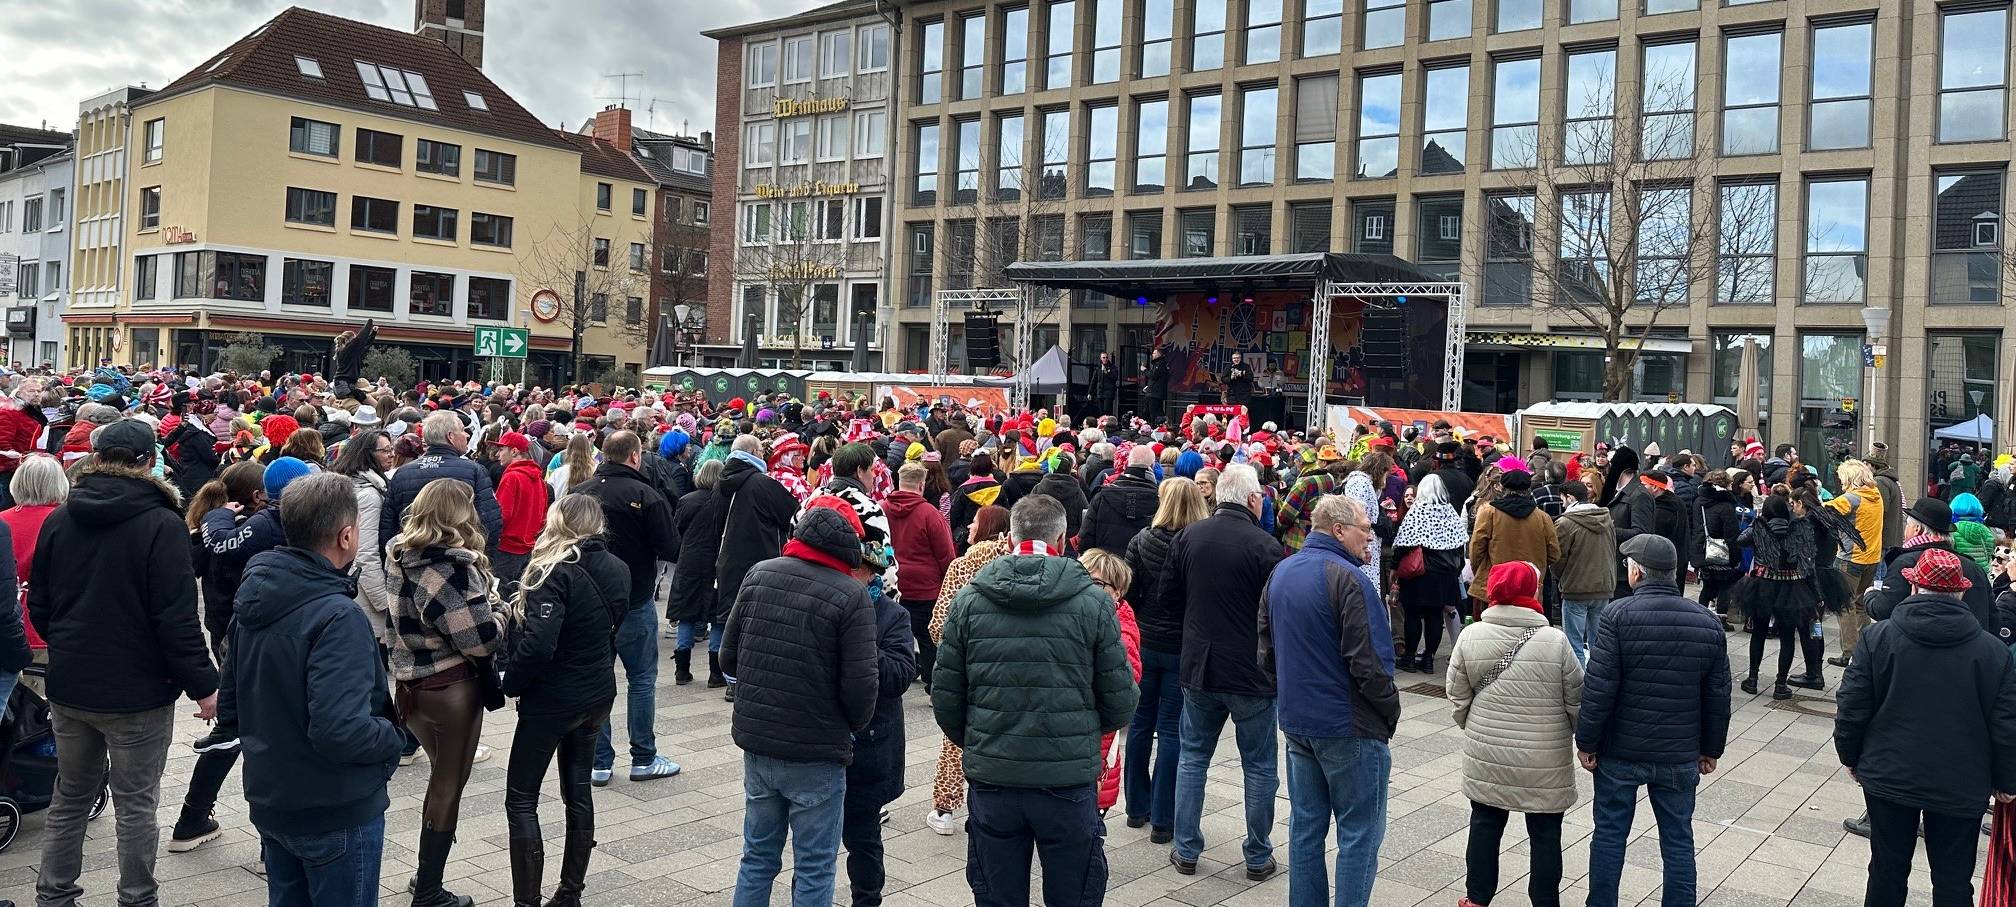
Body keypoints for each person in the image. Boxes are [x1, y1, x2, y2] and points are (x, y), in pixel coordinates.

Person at [31, 419, 218, 907]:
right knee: (136, 803)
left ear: (96, 458)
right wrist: (204, 685)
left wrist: (69, 645)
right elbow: (176, 618)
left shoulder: (61, 516)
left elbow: (41, 605)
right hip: (137, 690)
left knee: (70, 796)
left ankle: (53, 894)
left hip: (72, 682)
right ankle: (137, 898)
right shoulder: (161, 523)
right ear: (147, 462)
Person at [931, 495, 1139, 907]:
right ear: (1062, 540)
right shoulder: (1096, 602)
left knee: (998, 893)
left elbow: (947, 698)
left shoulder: (970, 600)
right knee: (1073, 893)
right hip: (1066, 779)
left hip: (994, 774)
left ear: (1011, 539)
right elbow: (1119, 700)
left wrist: (978, 738)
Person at [226, 472, 407, 907]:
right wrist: (395, 736)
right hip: (332, 804)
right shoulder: (336, 616)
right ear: (346, 536)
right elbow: (339, 729)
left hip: (273, 795)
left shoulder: (255, 595)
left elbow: (231, 700)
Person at [1836, 547, 2016, 907]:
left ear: (1914, 588)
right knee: (1953, 878)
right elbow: (2006, 725)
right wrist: (2006, 781)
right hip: (1962, 781)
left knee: (1887, 869)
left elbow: (1852, 706)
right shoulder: (1993, 652)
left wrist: (1851, 757)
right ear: (1962, 592)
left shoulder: (1878, 638)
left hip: (1889, 773)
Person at [720, 502, 879, 907]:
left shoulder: (760, 574)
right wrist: (852, 725)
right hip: (817, 749)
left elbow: (728, 657)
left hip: (759, 741)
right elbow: (861, 687)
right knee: (815, 864)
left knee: (756, 856)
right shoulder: (850, 594)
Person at [1258, 494, 1400, 907]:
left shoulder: (1282, 571)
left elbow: (1266, 652)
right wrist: (1389, 708)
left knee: (1306, 827)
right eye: (1364, 529)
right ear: (1339, 530)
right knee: (1359, 833)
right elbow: (1368, 662)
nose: (1369, 539)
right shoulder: (1350, 579)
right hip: (1348, 724)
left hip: (1299, 719)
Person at [1576, 535, 1730, 907]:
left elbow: (1600, 688)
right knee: (1678, 839)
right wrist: (1711, 748)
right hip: (1679, 752)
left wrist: (1587, 742)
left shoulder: (1617, 616)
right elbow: (1717, 696)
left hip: (1620, 752)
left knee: (1610, 834)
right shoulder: (1707, 622)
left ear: (1637, 572)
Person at [498, 495, 630, 907]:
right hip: (596, 690)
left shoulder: (550, 570)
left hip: (555, 696)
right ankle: (570, 892)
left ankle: (528, 901)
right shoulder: (618, 568)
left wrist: (511, 683)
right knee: (578, 792)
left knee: (522, 798)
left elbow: (539, 644)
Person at [386, 480, 504, 907]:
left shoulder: (401, 553)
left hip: (411, 684)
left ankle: (426, 876)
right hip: (448, 686)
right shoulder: (447, 566)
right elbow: (480, 640)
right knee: (448, 784)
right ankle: (430, 889)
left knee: (442, 779)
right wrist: (503, 613)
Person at [1165, 464, 1285, 879]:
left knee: (1193, 757)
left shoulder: (1188, 537)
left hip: (1199, 664)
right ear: (1253, 499)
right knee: (1259, 765)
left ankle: (1185, 849)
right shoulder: (1265, 546)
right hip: (1251, 672)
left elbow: (1169, 598)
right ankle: (1257, 855)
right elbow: (1278, 613)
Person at [1447, 561, 1583, 907]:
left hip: (1488, 754)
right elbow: (1577, 700)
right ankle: (1544, 902)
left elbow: (1457, 695)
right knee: (1545, 833)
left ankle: (1476, 899)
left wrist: (1473, 724)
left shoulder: (1470, 635)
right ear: (1531, 592)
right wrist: (1580, 738)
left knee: (1485, 824)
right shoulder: (1556, 641)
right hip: (1544, 760)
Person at [570, 430, 683, 783]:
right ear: (635, 456)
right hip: (634, 599)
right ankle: (643, 757)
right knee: (641, 679)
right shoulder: (645, 494)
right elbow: (670, 548)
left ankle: (599, 761)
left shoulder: (580, 493)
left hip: (589, 602)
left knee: (596, 679)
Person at [1120, 477, 1208, 842]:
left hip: (1145, 638)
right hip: (1180, 644)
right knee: (1172, 729)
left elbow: (1129, 589)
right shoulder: (1199, 544)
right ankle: (1163, 817)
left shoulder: (1141, 540)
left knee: (1141, 723)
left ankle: (1136, 807)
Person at [923, 504, 1012, 835]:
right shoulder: (1016, 566)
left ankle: (944, 809)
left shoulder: (962, 566)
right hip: (1008, 665)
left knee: (956, 735)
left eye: (975, 522)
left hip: (967, 664)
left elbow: (938, 623)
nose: (970, 527)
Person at [841, 531, 915, 907]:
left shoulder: (892, 615)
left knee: (863, 838)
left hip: (870, 747)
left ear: (873, 574)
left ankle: (867, 900)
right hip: (825, 744)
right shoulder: (830, 604)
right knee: (813, 842)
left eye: (858, 569)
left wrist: (859, 641)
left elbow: (901, 675)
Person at [716, 434, 801, 699]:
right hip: (761, 560)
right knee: (757, 622)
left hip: (727, 561)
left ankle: (728, 677)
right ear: (754, 452)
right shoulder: (762, 484)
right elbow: (793, 512)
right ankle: (751, 677)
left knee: (731, 619)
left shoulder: (719, 482)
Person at [1864, 496, 1996, 633]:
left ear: (1916, 529)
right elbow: (1992, 618)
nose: (1905, 531)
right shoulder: (1974, 567)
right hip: (1972, 646)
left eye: (1907, 525)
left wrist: (1870, 595)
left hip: (1919, 647)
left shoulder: (1905, 563)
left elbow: (1884, 610)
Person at [1736, 494, 1822, 700]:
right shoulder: (1799, 530)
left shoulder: (1760, 528)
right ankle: (1781, 684)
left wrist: (1758, 524)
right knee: (1787, 637)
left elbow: (1740, 541)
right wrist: (1816, 593)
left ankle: (1752, 679)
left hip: (1763, 585)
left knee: (1758, 632)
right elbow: (1808, 565)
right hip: (1791, 588)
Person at [1078, 548, 1143, 818]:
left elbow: (1123, 691)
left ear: (1117, 592)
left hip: (1096, 746)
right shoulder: (1082, 617)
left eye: (1097, 584)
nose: (1086, 588)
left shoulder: (1121, 630)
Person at [382, 410, 504, 547]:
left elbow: (388, 526)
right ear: (450, 436)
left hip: (414, 554)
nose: (467, 435)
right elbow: (489, 521)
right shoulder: (474, 471)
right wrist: (482, 556)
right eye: (463, 430)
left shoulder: (403, 473)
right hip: (460, 556)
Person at [0, 455, 62, 713]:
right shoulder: (63, 522)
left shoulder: (4, 520)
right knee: (38, 712)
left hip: (8, 625)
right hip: (43, 624)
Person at [886, 461, 955, 691]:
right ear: (921, 485)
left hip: (892, 583)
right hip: (925, 587)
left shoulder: (881, 509)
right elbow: (945, 553)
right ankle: (931, 679)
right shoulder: (930, 514)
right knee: (928, 638)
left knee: (894, 632)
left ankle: (901, 671)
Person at [1392, 473, 1467, 673]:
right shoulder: (1450, 512)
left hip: (1419, 574)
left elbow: (1402, 544)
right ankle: (1429, 659)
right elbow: (1460, 544)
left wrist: (1394, 568)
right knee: (1435, 617)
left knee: (1413, 615)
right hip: (1445, 576)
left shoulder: (1417, 511)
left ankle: (1409, 657)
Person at [1467, 458, 1560, 617]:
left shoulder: (1489, 512)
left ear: (1502, 488)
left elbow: (1476, 550)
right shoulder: (1543, 518)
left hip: (1495, 585)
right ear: (1528, 490)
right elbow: (1554, 554)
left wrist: (1482, 572)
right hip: (1530, 588)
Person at [669, 458, 726, 687]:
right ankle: (715, 672)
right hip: (716, 562)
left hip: (689, 562)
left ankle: (682, 669)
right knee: (717, 615)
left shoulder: (686, 500)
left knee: (687, 614)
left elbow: (676, 531)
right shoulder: (724, 503)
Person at [1823, 459, 1885, 665]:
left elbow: (1822, 512)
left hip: (1850, 559)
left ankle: (1849, 653)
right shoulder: (1876, 496)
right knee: (1860, 606)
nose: (1841, 483)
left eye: (1842, 479)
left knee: (1844, 606)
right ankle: (1866, 651)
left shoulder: (1850, 498)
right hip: (1872, 559)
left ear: (1849, 478)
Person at [1552, 481, 1615, 664]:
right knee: (1598, 643)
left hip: (1576, 588)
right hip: (1604, 586)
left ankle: (1579, 687)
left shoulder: (1565, 523)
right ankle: (1598, 681)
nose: (1562, 503)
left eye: (1563, 499)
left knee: (1574, 644)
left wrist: (1559, 577)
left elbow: (1558, 558)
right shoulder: (1606, 518)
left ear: (1570, 498)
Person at [491, 430, 547, 595]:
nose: (497, 453)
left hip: (507, 550)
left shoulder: (512, 477)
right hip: (529, 549)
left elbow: (502, 515)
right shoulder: (540, 480)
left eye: (502, 449)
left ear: (514, 451)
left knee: (499, 598)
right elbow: (543, 517)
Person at [1082, 445, 1160, 555]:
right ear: (1152, 466)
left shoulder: (1102, 495)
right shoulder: (1160, 499)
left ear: (1128, 463)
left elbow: (1086, 538)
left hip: (1106, 566)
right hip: (1142, 568)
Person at [1696, 470, 1745, 628]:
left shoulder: (1699, 501)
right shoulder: (1726, 505)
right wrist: (1735, 556)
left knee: (1707, 586)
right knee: (1725, 586)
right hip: (1721, 550)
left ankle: (1700, 616)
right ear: (1726, 485)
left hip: (1703, 549)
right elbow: (1731, 533)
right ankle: (1722, 619)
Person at [1949, 491, 1995, 570]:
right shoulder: (1986, 531)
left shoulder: (1951, 530)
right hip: (1981, 575)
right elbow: (1989, 555)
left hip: (1961, 574)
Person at [1140, 345, 1170, 424]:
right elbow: (1155, 379)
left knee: (1154, 413)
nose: (1152, 355)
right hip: (1152, 393)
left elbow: (1153, 375)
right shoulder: (1158, 364)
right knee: (1149, 411)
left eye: (1154, 353)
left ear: (1159, 354)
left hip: (1155, 395)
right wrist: (1148, 387)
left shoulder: (1160, 364)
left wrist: (1145, 370)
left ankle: (1155, 427)